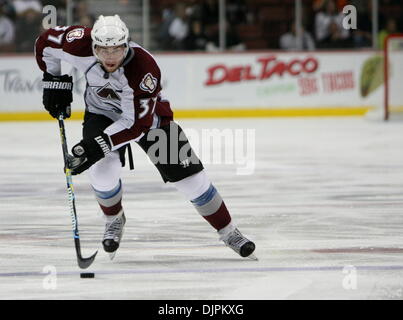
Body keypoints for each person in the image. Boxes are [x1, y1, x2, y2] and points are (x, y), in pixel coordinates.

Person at [34, 15, 256, 260]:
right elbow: (45, 42)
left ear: (126, 45)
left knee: (191, 179)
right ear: (93, 46)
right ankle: (113, 218)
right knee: (102, 171)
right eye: (103, 50)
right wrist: (54, 79)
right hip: (101, 114)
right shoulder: (77, 42)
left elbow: (136, 125)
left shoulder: (144, 68)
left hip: (149, 120)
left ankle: (228, 231)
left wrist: (94, 146)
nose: (110, 57)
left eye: (116, 49)